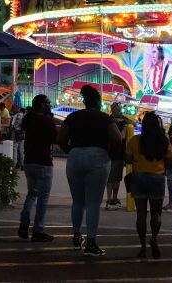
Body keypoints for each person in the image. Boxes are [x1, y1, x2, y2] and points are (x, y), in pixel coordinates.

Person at [56, 84, 123, 257]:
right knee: (93, 202)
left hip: (75, 156)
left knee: (78, 201)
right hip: (98, 157)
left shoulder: (72, 117)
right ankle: (91, 243)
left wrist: (70, 150)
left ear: (85, 102)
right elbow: (117, 138)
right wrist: (109, 151)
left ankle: (76, 237)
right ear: (98, 102)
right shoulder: (104, 118)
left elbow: (61, 139)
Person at [125, 111, 172, 259]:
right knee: (156, 214)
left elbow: (127, 159)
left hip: (139, 178)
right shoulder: (164, 141)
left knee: (141, 215)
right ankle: (154, 238)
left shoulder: (134, 140)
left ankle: (143, 247)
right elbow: (170, 161)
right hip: (157, 179)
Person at [17, 95, 56, 242]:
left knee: (31, 194)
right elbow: (55, 138)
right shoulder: (47, 121)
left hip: (29, 161)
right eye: (47, 103)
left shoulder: (29, 119)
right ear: (42, 105)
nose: (49, 105)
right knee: (43, 198)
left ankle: (24, 224)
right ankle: (38, 229)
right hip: (43, 162)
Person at [105, 102, 129, 210]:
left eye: (121, 110)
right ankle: (109, 199)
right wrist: (122, 127)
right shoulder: (109, 120)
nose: (120, 112)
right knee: (110, 179)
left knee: (118, 178)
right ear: (112, 110)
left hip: (120, 153)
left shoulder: (123, 120)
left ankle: (115, 198)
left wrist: (122, 119)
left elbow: (135, 123)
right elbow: (121, 137)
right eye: (118, 110)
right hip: (111, 153)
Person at [12, 106, 27, 170]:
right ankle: (23, 165)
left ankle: (14, 164)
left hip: (16, 134)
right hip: (22, 135)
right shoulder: (25, 116)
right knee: (21, 150)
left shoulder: (16, 115)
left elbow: (12, 125)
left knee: (15, 149)